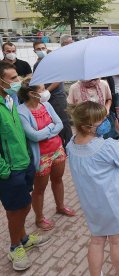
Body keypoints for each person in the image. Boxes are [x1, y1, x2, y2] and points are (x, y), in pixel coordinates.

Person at [66, 101, 119, 276]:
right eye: (102, 120)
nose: (106, 122)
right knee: (116, 240)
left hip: (92, 203)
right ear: (86, 126)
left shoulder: (71, 145)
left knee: (97, 240)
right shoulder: (106, 147)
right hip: (113, 201)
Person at [0, 62, 50, 271]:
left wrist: (29, 158)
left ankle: (23, 238)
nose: (17, 82)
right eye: (12, 78)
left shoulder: (10, 100)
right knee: (15, 210)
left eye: (16, 77)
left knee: (25, 204)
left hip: (24, 162)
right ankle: (14, 247)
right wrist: (4, 170)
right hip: (9, 170)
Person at [17, 78, 75, 231]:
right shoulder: (21, 111)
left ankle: (60, 206)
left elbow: (60, 124)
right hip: (41, 156)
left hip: (57, 150)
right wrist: (51, 129)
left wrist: (45, 132)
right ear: (32, 93)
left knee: (58, 180)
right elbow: (33, 136)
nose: (45, 92)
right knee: (39, 189)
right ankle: (39, 218)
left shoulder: (47, 105)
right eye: (42, 89)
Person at [32, 42, 73, 147]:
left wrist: (47, 90)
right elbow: (37, 80)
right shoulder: (37, 65)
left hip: (57, 96)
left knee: (63, 121)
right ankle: (60, 144)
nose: (41, 50)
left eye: (43, 48)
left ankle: (69, 145)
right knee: (52, 122)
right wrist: (41, 92)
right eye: (38, 49)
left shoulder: (54, 61)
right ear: (34, 51)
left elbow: (59, 78)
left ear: (46, 48)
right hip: (44, 97)